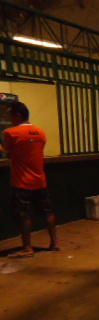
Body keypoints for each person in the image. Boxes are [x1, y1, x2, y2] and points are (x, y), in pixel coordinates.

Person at [3, 101, 59, 258]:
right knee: (48, 212)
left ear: (18, 115)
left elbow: (9, 154)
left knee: (24, 215)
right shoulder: (41, 132)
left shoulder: (10, 133)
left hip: (21, 182)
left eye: (11, 115)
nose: (9, 119)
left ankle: (28, 247)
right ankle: (54, 243)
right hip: (40, 180)